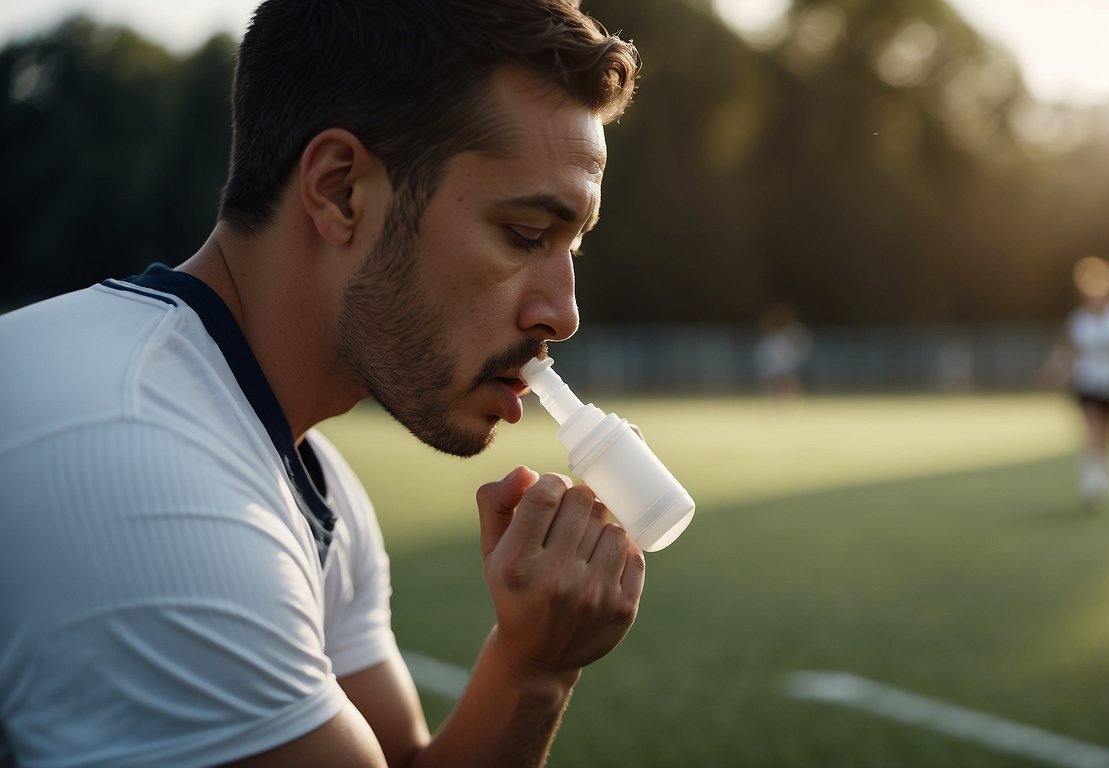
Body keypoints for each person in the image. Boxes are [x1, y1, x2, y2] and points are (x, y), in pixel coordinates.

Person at [0, 1, 646, 765]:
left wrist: (533, 665)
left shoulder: (309, 478)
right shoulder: (144, 472)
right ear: (340, 191)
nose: (562, 314)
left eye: (572, 246)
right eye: (526, 235)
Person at [1042, 256, 1109, 508]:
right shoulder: (1078, 320)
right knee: (1093, 429)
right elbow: (1067, 350)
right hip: (1087, 380)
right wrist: (1055, 370)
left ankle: (1100, 466)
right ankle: (1093, 481)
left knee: (1106, 434)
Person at [753, 302, 812, 402]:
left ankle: (791, 400)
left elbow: (801, 351)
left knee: (789, 381)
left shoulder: (793, 335)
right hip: (773, 369)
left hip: (787, 368)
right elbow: (762, 357)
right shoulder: (769, 340)